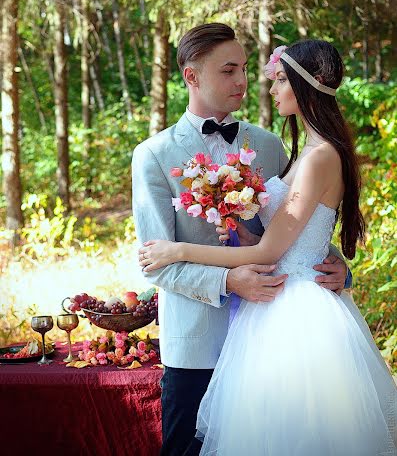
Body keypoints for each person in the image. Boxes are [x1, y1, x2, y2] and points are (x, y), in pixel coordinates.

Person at [138, 38, 397, 456]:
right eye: (228, 71)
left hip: (279, 329)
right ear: (191, 77)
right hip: (202, 340)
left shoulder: (273, 147)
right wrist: (228, 277)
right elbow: (155, 262)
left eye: (246, 68)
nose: (244, 81)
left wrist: (339, 268)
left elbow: (299, 236)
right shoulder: (153, 154)